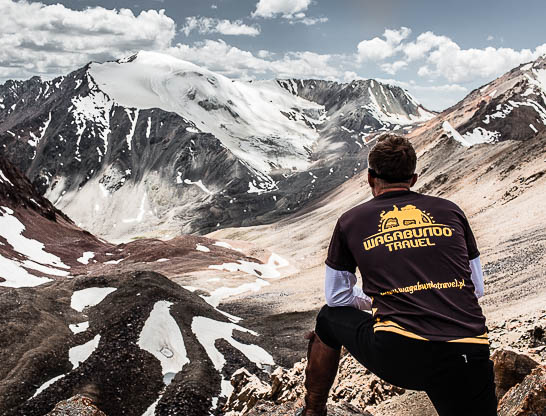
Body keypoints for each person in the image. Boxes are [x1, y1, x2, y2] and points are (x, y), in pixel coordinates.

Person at [296, 134, 497, 416]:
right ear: (413, 178)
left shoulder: (351, 221)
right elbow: (475, 288)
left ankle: (313, 410)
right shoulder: (451, 211)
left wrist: (381, 297)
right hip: (467, 352)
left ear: (369, 178)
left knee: (328, 317)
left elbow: (337, 297)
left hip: (401, 353)